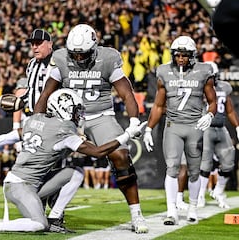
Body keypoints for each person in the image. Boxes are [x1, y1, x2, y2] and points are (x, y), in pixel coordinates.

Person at [0, 88, 147, 233]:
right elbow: (98, 152)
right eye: (76, 111)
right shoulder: (63, 132)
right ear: (64, 109)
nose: (78, 116)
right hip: (19, 186)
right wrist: (127, 135)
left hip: (28, 183)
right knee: (38, 224)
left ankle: (55, 218)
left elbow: (4, 138)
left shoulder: (35, 120)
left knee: (75, 173)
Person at [0, 29, 85, 233]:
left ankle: (52, 216)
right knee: (40, 167)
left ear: (50, 44)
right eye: (32, 43)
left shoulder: (60, 62)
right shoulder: (32, 65)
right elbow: (28, 95)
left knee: (56, 165)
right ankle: (48, 215)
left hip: (55, 120)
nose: (34, 47)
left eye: (38, 43)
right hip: (36, 121)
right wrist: (21, 104)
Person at [33, 24, 149, 234]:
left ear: (94, 48)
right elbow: (45, 95)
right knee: (42, 157)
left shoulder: (108, 57)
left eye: (82, 54)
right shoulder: (60, 58)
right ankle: (46, 208)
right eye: (74, 54)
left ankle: (136, 213)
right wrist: (37, 122)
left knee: (121, 157)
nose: (78, 59)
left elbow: (126, 93)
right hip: (67, 119)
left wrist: (133, 120)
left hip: (100, 116)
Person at [143, 35, 217, 225]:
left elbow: (212, 101)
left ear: (192, 55)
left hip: (194, 126)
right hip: (173, 125)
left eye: (184, 55)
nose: (181, 58)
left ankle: (192, 208)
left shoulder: (204, 71)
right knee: (172, 168)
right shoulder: (164, 72)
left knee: (193, 171)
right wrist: (149, 129)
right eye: (178, 55)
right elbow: (158, 106)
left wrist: (209, 115)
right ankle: (171, 211)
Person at [197, 61, 239, 209]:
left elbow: (229, 110)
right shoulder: (199, 87)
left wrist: (238, 127)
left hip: (221, 128)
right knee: (205, 164)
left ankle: (218, 192)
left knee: (229, 162)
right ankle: (200, 195)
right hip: (206, 128)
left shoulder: (224, 87)